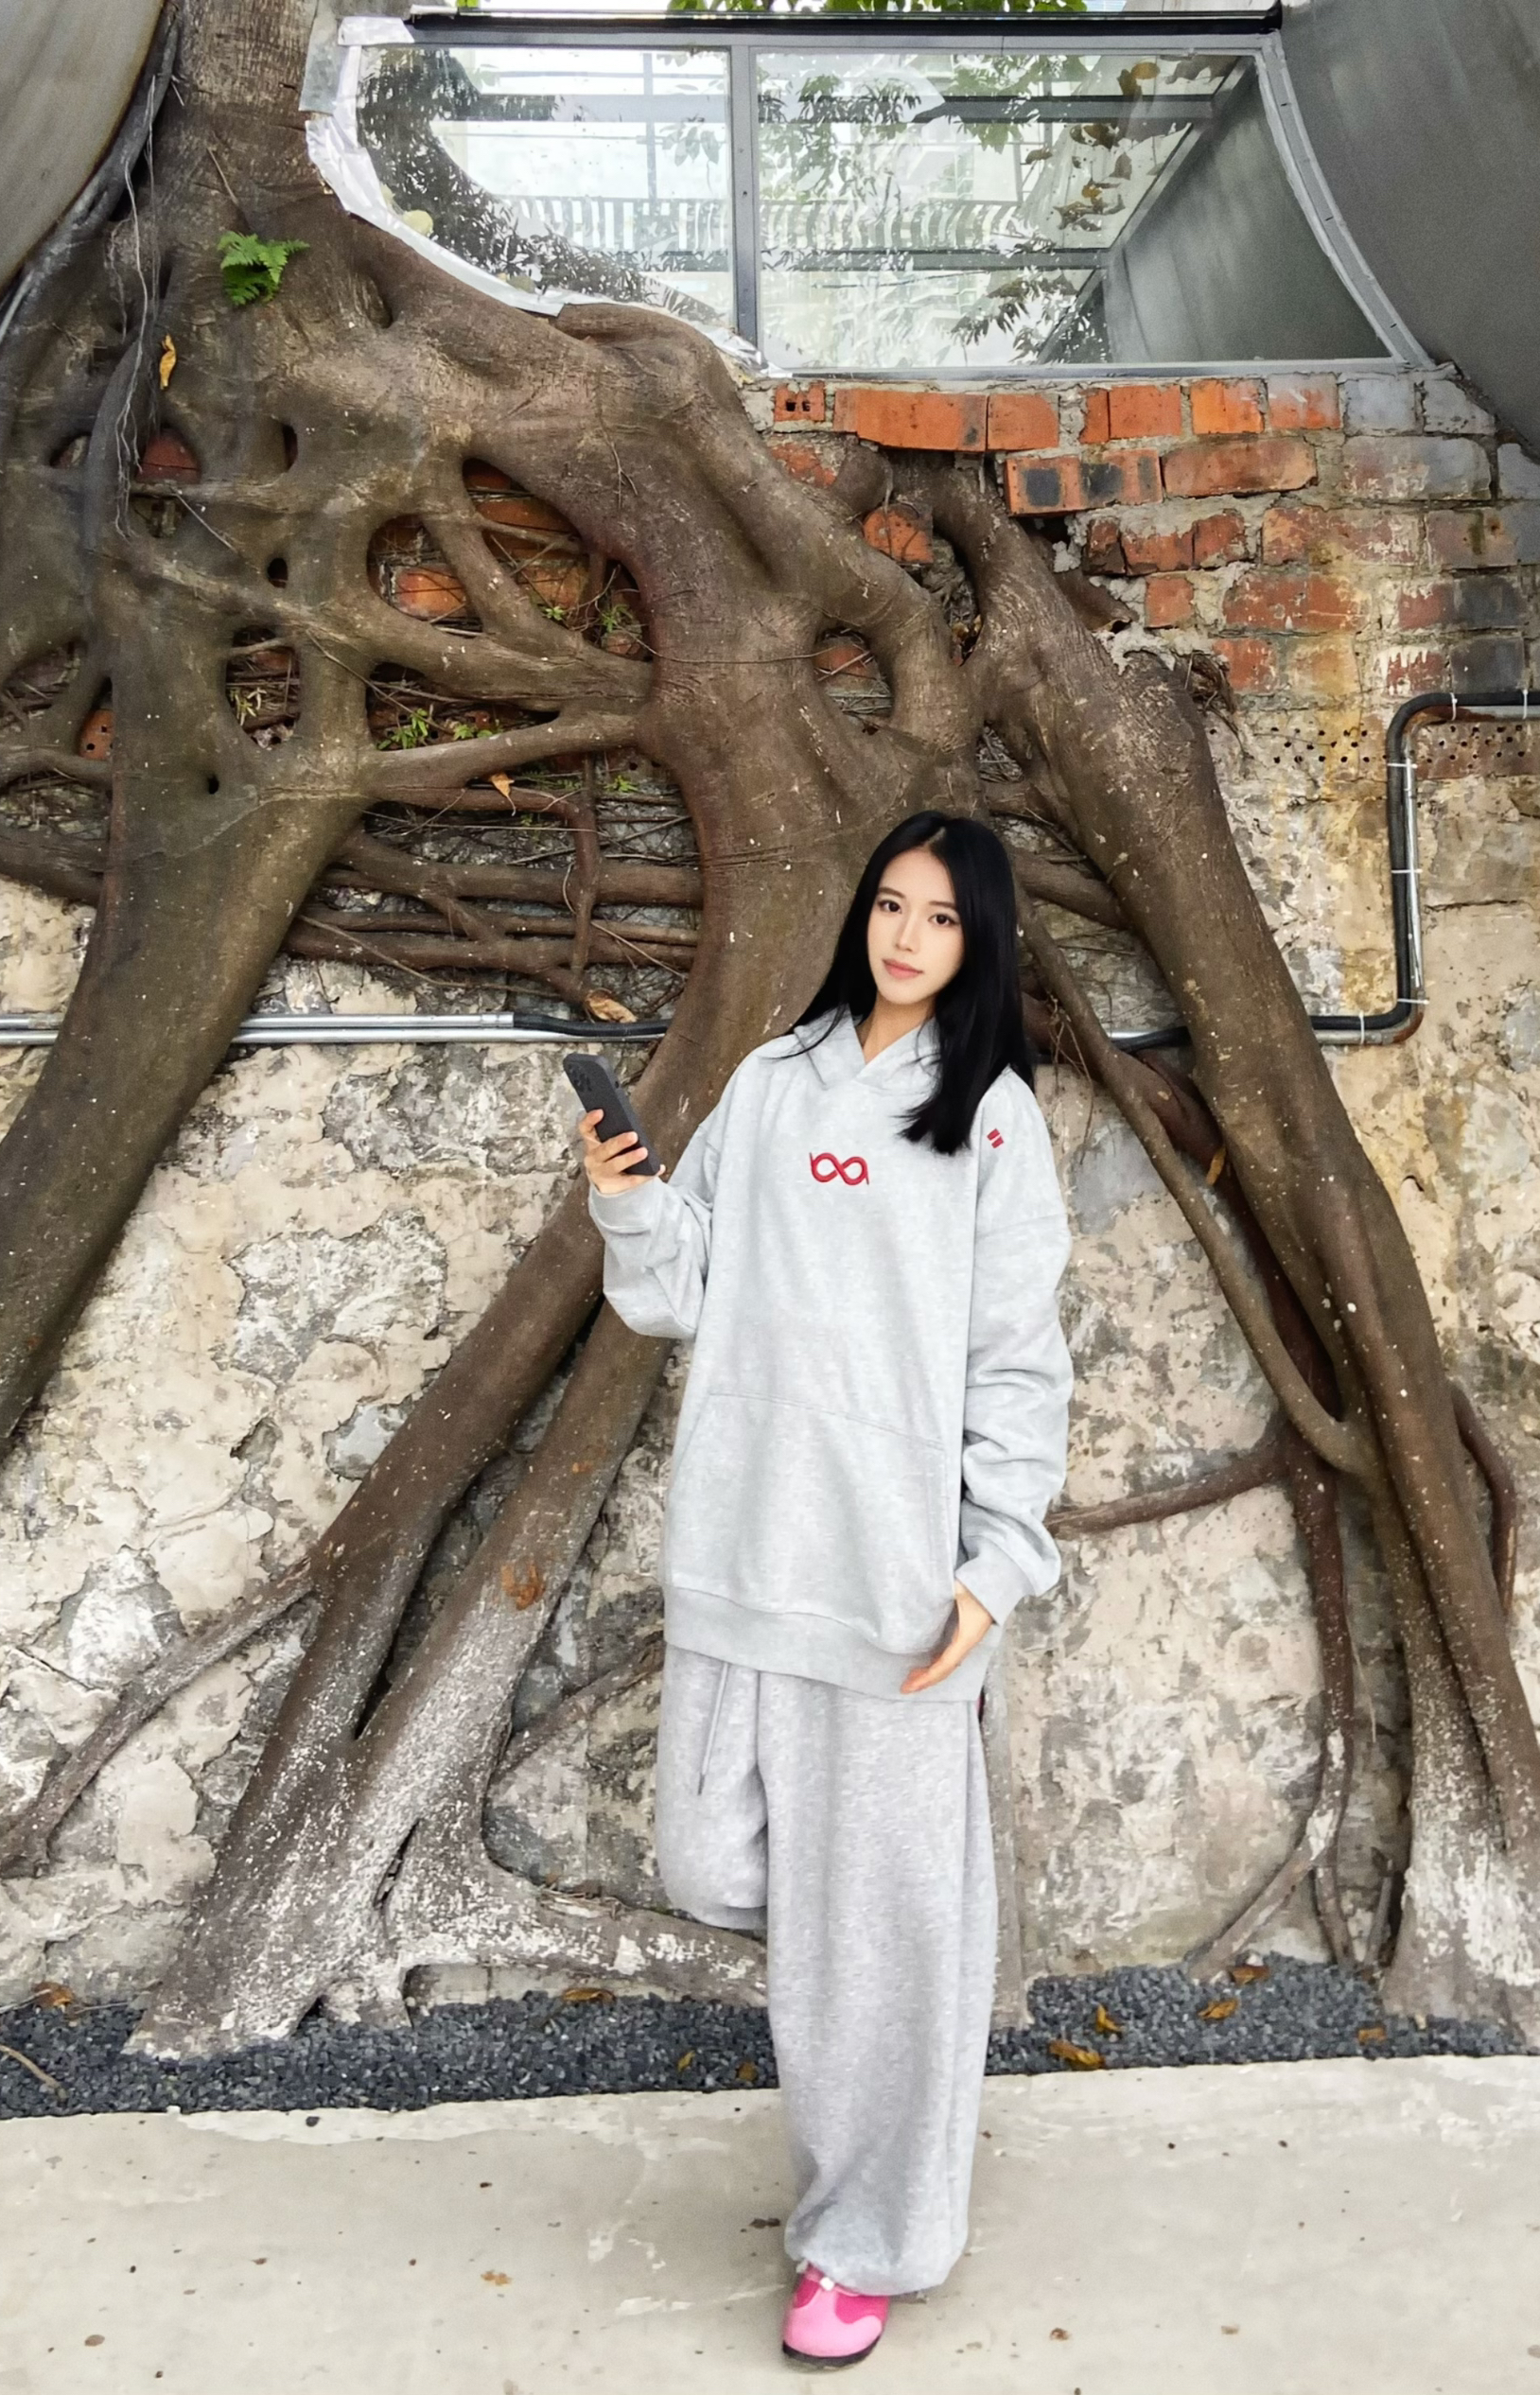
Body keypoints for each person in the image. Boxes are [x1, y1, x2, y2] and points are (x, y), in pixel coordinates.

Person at [578, 810, 1072, 2369]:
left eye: (941, 916)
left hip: (894, 1590)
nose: (907, 936)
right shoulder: (774, 1082)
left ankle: (860, 2245)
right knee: (712, 1866)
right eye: (890, 905)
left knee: (875, 1941)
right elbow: (678, 1293)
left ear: (980, 941)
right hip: (741, 1553)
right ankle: (905, 1992)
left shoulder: (991, 1118)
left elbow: (1018, 1361)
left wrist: (994, 1565)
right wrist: (626, 1197)